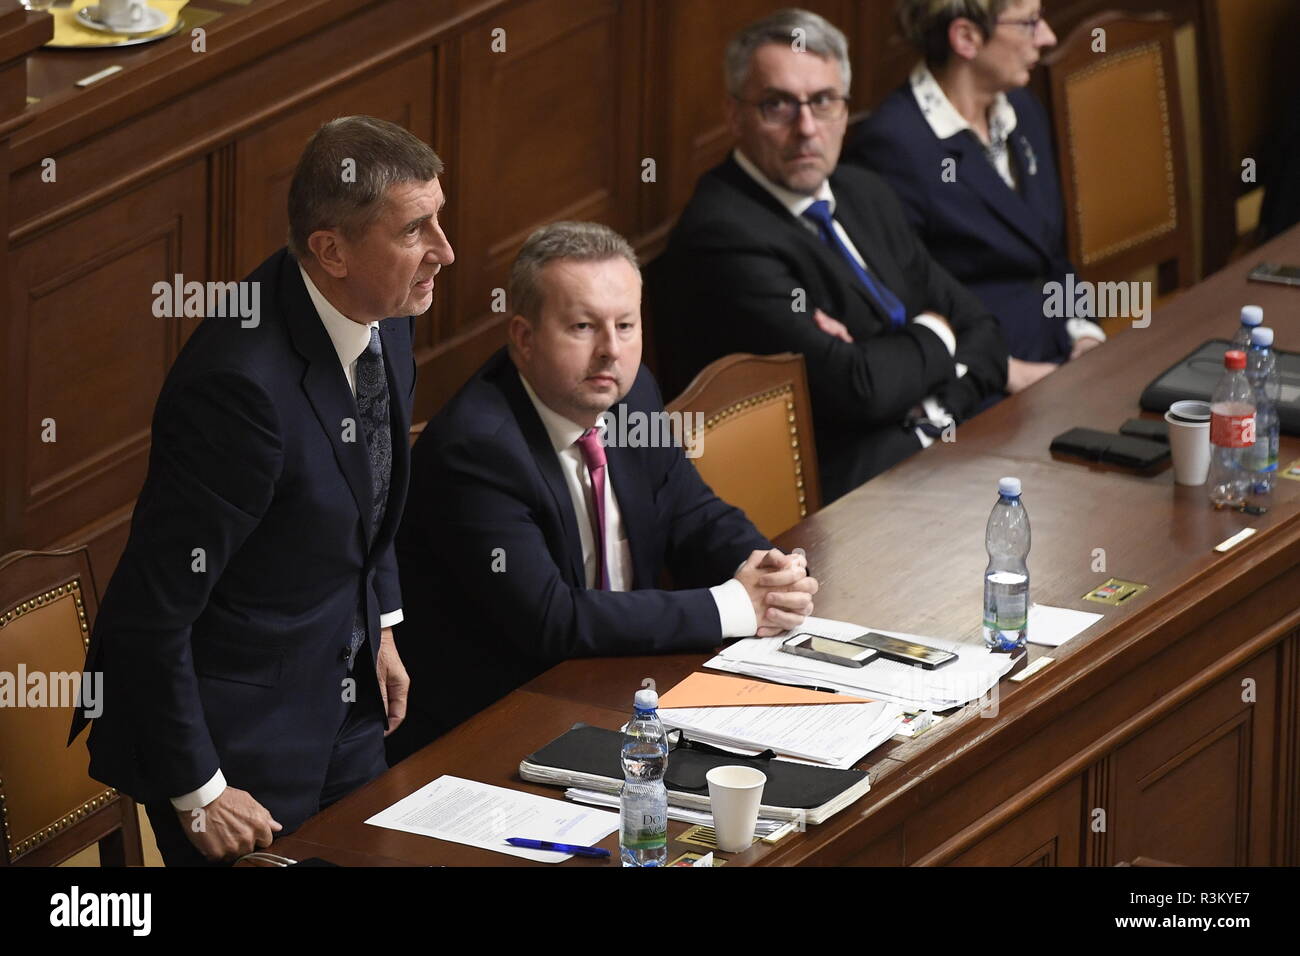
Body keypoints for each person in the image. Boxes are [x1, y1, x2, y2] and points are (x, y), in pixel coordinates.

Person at [70, 116, 454, 865]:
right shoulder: (237, 393)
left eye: (440, 217)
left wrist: (381, 621)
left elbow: (367, 485)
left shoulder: (386, 312)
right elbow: (148, 614)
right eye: (415, 230)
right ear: (332, 251)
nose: (446, 249)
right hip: (234, 733)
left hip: (342, 695)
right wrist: (201, 792)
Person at [386, 221, 818, 761]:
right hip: (498, 728)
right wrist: (733, 606)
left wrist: (768, 574)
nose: (611, 351)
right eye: (584, 327)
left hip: (625, 687)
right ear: (523, 337)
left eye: (626, 325)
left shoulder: (631, 396)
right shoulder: (476, 449)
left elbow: (693, 512)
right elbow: (551, 620)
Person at [649, 9, 1008, 503]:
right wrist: (938, 332)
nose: (806, 128)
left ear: (844, 107)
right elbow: (858, 388)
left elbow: (984, 331)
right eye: (778, 105)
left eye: (823, 102)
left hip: (946, 444)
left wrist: (931, 390)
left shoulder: (863, 190)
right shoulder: (721, 236)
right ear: (734, 115)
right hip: (842, 497)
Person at [844, 0, 1104, 368]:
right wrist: (1006, 374)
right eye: (1029, 23)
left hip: (1063, 357)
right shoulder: (894, 147)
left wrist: (1084, 333)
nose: (1048, 36)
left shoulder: (1022, 107)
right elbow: (901, 308)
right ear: (966, 37)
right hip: (988, 389)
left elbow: (1050, 254)